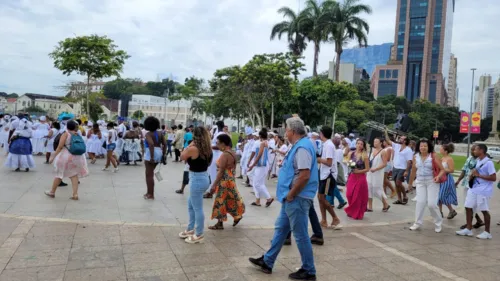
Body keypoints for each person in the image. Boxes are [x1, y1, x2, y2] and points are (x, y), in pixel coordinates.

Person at [249, 117, 317, 280]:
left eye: (286, 129)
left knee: (300, 235)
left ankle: (309, 270)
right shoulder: (299, 146)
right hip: (292, 198)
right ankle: (267, 261)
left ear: (293, 131)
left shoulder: (302, 148)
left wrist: (292, 193)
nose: (285, 133)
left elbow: (304, 175)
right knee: (281, 229)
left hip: (297, 198)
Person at [179, 126, 213, 244]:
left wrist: (188, 145)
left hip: (197, 179)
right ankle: (190, 228)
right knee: (191, 204)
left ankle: (199, 234)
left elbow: (182, 156)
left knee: (197, 208)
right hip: (204, 177)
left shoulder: (193, 148)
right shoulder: (208, 148)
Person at [456, 144, 495, 239]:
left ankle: (487, 232)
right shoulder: (478, 161)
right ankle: (468, 229)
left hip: (483, 190)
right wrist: (472, 176)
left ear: (481, 150)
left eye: (476, 149)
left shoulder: (489, 163)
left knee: (484, 210)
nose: (473, 151)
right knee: (468, 207)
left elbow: (493, 177)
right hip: (474, 188)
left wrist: (478, 175)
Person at [208, 134, 245, 230]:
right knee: (230, 199)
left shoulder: (225, 154)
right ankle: (237, 215)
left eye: (218, 143)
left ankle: (220, 224)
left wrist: (214, 184)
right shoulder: (232, 152)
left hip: (224, 180)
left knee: (220, 201)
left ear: (223, 144)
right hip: (230, 179)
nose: (217, 145)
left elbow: (221, 172)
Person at [44, 120, 89, 200]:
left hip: (65, 156)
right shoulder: (77, 134)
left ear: (67, 126)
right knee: (74, 175)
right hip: (77, 157)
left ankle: (52, 192)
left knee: (59, 174)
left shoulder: (66, 134)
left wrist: (53, 157)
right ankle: (75, 194)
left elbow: (60, 147)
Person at [407, 138, 445, 232]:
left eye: (425, 146)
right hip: (420, 182)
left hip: (432, 182)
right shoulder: (416, 156)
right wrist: (410, 183)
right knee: (420, 202)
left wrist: (438, 177)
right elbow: (413, 171)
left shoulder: (433, 156)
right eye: (421, 146)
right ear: (418, 147)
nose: (423, 148)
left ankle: (438, 222)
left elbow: (442, 169)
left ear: (429, 147)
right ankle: (417, 223)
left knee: (432, 204)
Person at [317, 126, 342, 228]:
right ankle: (324, 220)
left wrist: (318, 159)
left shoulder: (329, 145)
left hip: (328, 175)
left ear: (322, 133)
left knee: (323, 198)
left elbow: (329, 162)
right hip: (323, 174)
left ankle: (335, 218)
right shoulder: (326, 144)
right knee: (320, 197)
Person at [455, 144, 485, 229]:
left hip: (475, 185)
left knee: (471, 205)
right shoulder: (469, 159)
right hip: (466, 183)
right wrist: (458, 180)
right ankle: (477, 221)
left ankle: (469, 224)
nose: (472, 151)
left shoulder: (481, 161)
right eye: (472, 150)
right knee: (466, 204)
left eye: (474, 150)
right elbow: (464, 170)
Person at [384, 129, 413, 205]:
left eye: (402, 138)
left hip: (402, 168)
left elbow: (409, 161)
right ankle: (399, 199)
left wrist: (407, 171)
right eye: (400, 138)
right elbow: (388, 140)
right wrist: (386, 132)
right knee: (396, 184)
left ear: (405, 141)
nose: (400, 139)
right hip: (395, 167)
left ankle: (405, 196)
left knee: (398, 183)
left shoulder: (408, 150)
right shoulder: (397, 146)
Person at [344, 139, 370, 220]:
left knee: (357, 196)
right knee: (349, 194)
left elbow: (367, 169)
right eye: (358, 143)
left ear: (363, 146)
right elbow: (346, 162)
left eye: (361, 144)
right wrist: (349, 163)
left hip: (361, 177)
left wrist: (359, 171)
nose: (359, 145)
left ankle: (357, 212)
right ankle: (352, 209)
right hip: (352, 176)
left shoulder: (364, 155)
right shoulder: (351, 153)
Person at [247, 128, 274, 207]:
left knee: (257, 184)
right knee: (259, 183)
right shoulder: (267, 142)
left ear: (260, 136)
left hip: (261, 165)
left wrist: (252, 165)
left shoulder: (262, 143)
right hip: (264, 165)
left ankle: (268, 198)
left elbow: (259, 155)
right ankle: (258, 200)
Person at [143, 117, 167, 200]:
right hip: (159, 152)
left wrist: (152, 157)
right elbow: (165, 144)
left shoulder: (148, 134)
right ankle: (149, 192)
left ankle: (150, 194)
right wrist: (164, 154)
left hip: (151, 152)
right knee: (151, 173)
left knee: (149, 175)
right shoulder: (160, 133)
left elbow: (151, 144)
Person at [367, 137, 390, 212]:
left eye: (376, 141)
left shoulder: (383, 151)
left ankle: (385, 203)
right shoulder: (371, 150)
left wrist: (376, 169)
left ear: (381, 143)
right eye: (374, 141)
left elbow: (384, 164)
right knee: (369, 187)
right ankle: (370, 206)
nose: (375, 143)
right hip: (370, 172)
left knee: (377, 189)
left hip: (378, 173)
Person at [204, 121, 226, 198]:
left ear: (218, 126)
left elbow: (220, 146)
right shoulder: (218, 133)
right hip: (214, 154)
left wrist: (209, 147)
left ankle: (211, 192)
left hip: (217, 154)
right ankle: (211, 190)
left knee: (213, 174)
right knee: (211, 173)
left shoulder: (221, 134)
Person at [438, 143, 458, 219]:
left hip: (447, 179)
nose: (440, 150)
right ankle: (440, 212)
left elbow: (452, 170)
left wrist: (443, 170)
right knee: (439, 196)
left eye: (441, 149)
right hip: (440, 178)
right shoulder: (442, 158)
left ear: (445, 151)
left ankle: (450, 211)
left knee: (441, 196)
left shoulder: (449, 159)